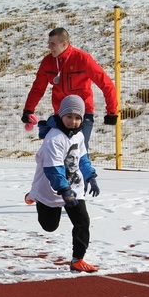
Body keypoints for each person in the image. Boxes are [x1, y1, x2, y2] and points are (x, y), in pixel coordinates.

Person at [25, 95, 100, 273]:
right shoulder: (54, 139)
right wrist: (64, 190)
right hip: (51, 189)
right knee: (49, 226)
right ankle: (35, 196)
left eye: (77, 118)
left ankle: (77, 259)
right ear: (61, 116)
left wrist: (90, 176)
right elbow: (53, 168)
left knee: (82, 222)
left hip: (74, 187)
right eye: (69, 117)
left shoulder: (79, 135)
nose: (73, 122)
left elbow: (82, 158)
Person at [22, 27, 118, 151]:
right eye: (49, 43)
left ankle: (83, 170)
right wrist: (28, 110)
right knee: (57, 150)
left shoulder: (83, 59)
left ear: (64, 44)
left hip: (82, 114)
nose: (49, 47)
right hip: (60, 114)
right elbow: (37, 88)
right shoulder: (47, 62)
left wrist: (111, 112)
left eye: (53, 44)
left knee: (79, 152)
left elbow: (106, 84)